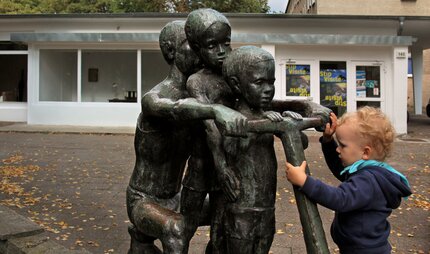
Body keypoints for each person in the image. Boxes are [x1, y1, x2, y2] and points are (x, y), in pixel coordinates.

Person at [126, 20, 247, 254]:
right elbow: (175, 109)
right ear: (171, 51)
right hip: (144, 200)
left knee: (234, 208)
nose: (201, 50)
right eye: (192, 44)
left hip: (180, 197)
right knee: (176, 228)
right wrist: (215, 110)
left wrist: (302, 108)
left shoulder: (203, 91)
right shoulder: (156, 97)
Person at [285, 107, 412, 254]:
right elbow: (341, 171)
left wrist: (304, 181)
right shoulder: (371, 172)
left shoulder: (368, 181)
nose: (338, 150)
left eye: (343, 145)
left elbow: (340, 199)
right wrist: (328, 141)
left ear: (365, 152)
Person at [221, 46, 286, 254]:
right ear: (236, 85)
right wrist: (257, 127)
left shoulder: (268, 115)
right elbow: (230, 151)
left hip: (267, 207)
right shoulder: (235, 119)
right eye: (259, 82)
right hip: (242, 209)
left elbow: (300, 142)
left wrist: (289, 125)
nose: (268, 89)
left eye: (271, 82)